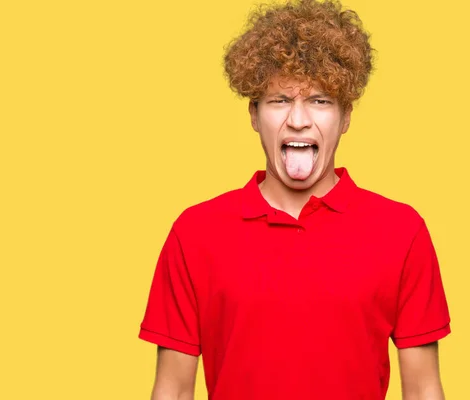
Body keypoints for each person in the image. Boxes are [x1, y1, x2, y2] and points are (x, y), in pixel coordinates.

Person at [138, 0, 451, 398]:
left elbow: (424, 389)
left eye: (320, 100)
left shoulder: (401, 231)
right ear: (254, 115)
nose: (299, 119)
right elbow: (172, 391)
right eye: (280, 100)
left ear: (346, 115)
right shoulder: (195, 233)